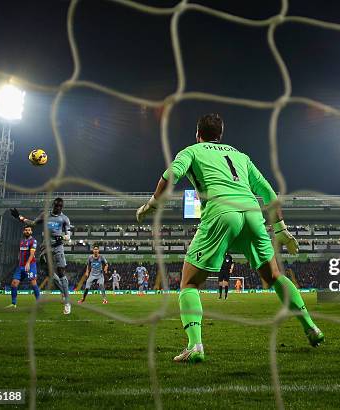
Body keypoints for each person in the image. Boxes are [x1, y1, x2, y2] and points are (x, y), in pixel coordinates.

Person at [136, 113, 324, 363]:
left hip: (222, 213)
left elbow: (170, 174)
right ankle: (311, 327)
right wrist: (280, 229)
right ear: (220, 135)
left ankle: (195, 346)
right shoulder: (239, 155)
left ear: (197, 133)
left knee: (189, 283)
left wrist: (152, 203)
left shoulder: (192, 150)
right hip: (252, 213)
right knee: (274, 276)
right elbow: (268, 192)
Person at [11, 197, 72, 315]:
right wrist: (20, 217)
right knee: (49, 273)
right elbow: (33, 223)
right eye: (56, 206)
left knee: (61, 272)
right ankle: (63, 292)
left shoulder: (65, 219)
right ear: (53, 205)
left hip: (58, 247)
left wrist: (65, 237)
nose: (58, 208)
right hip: (46, 247)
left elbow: (68, 235)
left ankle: (67, 302)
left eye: (60, 206)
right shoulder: (45, 215)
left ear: (62, 207)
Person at [6, 226, 41, 308]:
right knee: (14, 283)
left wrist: (28, 263)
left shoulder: (33, 241)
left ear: (31, 232)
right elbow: (21, 253)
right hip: (20, 266)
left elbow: (32, 254)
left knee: (33, 283)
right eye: (26, 230)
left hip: (30, 265)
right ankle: (13, 303)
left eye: (29, 230)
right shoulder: (21, 241)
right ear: (23, 232)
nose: (27, 231)